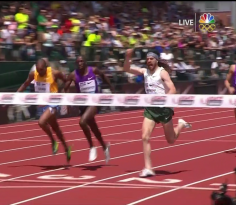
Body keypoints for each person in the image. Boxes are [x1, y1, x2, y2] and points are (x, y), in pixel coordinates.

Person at [123, 49, 192, 177]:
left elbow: (173, 89)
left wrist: (163, 99)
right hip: (150, 109)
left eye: (151, 59)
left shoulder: (162, 73)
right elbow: (127, 69)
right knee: (145, 137)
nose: (149, 61)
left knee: (171, 140)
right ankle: (148, 168)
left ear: (156, 60)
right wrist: (128, 57)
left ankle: (181, 125)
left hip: (164, 109)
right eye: (147, 59)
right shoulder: (144, 72)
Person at [17, 58, 72, 163]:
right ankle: (66, 147)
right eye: (37, 69)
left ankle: (52, 141)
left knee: (41, 122)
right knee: (56, 128)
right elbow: (25, 84)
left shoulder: (54, 73)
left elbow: (67, 81)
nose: (39, 72)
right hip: (42, 104)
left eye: (41, 70)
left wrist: (67, 99)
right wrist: (15, 95)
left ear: (46, 68)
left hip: (53, 103)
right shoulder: (34, 74)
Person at [64, 56, 113, 163]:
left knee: (82, 122)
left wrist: (111, 88)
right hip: (83, 104)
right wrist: (66, 101)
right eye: (78, 62)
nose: (80, 63)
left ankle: (91, 147)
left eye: (82, 61)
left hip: (95, 101)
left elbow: (103, 75)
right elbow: (66, 87)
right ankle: (105, 146)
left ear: (85, 62)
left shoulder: (93, 70)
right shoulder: (73, 75)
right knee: (94, 128)